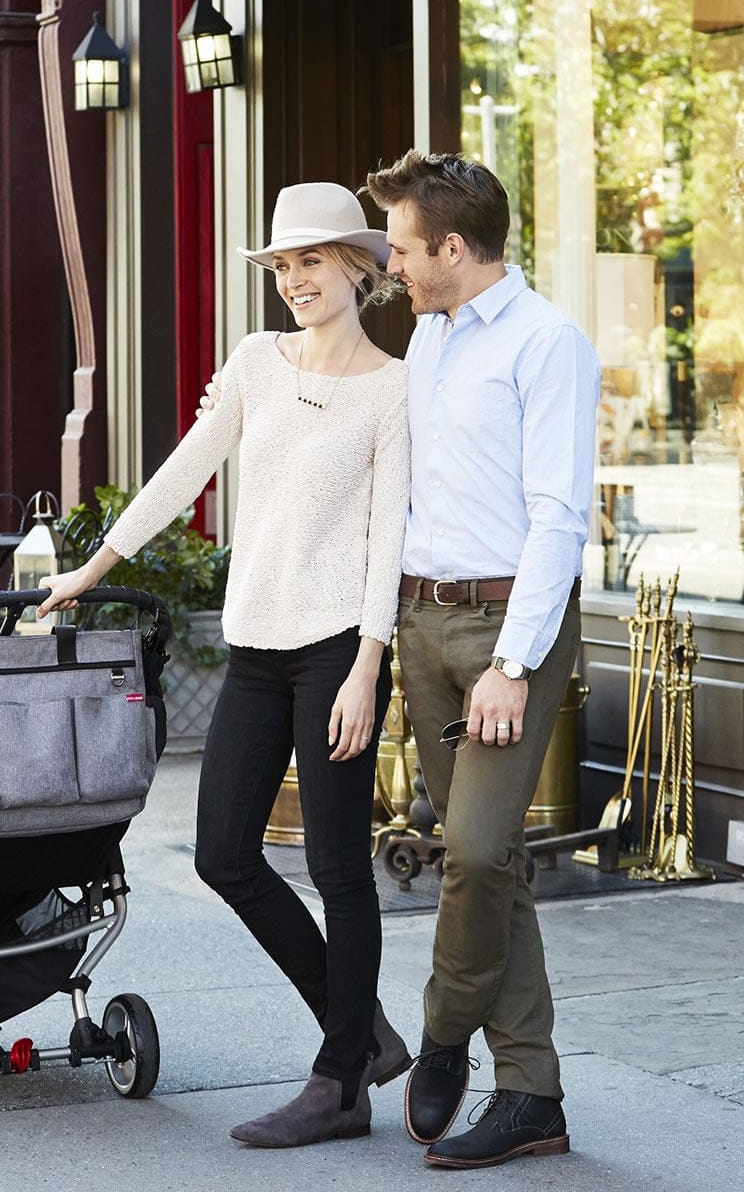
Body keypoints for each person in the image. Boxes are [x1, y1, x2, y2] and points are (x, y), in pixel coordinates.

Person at [37, 182, 413, 1148]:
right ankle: (361, 1030)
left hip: (337, 651)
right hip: (256, 647)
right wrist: (94, 565)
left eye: (311, 262)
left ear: (356, 269)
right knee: (224, 856)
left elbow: (388, 538)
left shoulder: (393, 388)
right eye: (283, 266)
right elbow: (185, 469)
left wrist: (368, 665)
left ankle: (339, 1084)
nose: (294, 280)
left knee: (337, 869)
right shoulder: (254, 362)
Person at [365, 151, 599, 1169]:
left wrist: (512, 661)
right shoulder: (430, 335)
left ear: (453, 248)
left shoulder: (548, 344)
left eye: (403, 249)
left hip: (510, 633)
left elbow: (559, 518)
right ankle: (532, 1094)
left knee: (470, 852)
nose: (393, 266)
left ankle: (444, 1028)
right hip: (425, 624)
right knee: (493, 861)